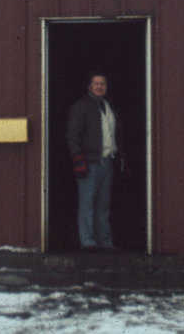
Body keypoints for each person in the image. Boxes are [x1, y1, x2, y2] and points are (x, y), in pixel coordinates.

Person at [66, 71, 120, 250]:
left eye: (102, 83)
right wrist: (78, 159)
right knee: (87, 203)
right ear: (89, 86)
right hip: (89, 162)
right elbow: (72, 136)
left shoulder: (108, 106)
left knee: (103, 206)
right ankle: (88, 242)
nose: (99, 86)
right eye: (96, 83)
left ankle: (105, 242)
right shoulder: (81, 107)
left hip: (107, 161)